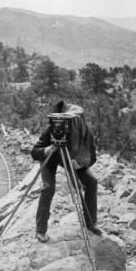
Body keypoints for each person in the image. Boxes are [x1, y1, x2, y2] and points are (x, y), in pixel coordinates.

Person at [30, 101, 102, 242]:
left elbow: (92, 156)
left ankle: (90, 222)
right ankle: (41, 230)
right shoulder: (52, 129)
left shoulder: (85, 133)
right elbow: (34, 152)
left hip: (71, 160)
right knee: (48, 188)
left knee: (92, 181)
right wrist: (48, 150)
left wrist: (80, 164)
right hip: (50, 158)